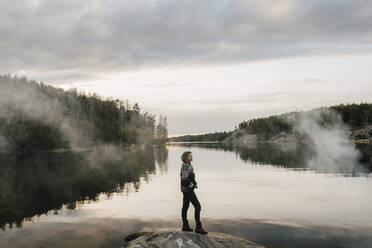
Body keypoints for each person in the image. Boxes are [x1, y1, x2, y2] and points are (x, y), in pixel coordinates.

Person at [180, 151, 208, 234]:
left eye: (191, 155)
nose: (191, 157)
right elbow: (184, 179)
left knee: (185, 207)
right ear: (186, 158)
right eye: (189, 156)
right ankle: (198, 228)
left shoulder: (188, 165)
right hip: (187, 190)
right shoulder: (185, 166)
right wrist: (192, 185)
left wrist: (194, 184)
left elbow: (190, 177)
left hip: (186, 190)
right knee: (197, 206)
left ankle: (185, 226)